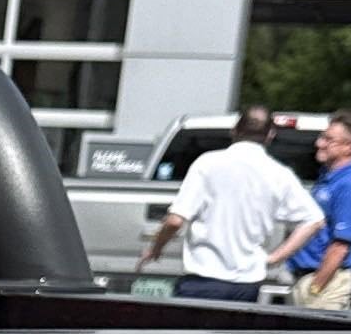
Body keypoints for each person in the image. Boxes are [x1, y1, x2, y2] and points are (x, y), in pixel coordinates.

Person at [136, 105, 322, 303]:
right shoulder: (279, 174)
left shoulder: (207, 164)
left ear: (235, 130)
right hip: (247, 284)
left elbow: (174, 221)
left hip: (202, 281)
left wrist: (156, 248)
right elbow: (314, 220)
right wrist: (275, 258)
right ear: (270, 135)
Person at [292, 111, 351, 309]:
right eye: (322, 137)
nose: (319, 143)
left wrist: (316, 288)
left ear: (349, 146)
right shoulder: (328, 177)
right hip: (308, 278)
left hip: (327, 282)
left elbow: (340, 245)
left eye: (328, 139)